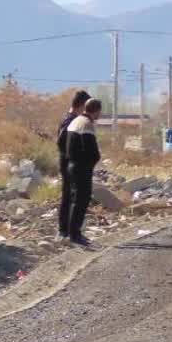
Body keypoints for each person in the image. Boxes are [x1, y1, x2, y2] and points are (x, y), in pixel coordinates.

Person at [63, 98, 104, 246]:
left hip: (72, 165)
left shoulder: (76, 121)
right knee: (81, 200)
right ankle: (75, 234)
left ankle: (73, 232)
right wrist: (91, 164)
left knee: (76, 200)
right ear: (97, 110)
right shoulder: (87, 124)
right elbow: (92, 151)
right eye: (100, 111)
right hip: (81, 168)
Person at [55, 89, 89, 242]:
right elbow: (63, 143)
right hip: (70, 164)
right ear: (81, 105)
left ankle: (67, 231)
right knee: (73, 197)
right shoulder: (70, 121)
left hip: (68, 163)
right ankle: (69, 232)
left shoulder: (68, 119)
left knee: (69, 196)